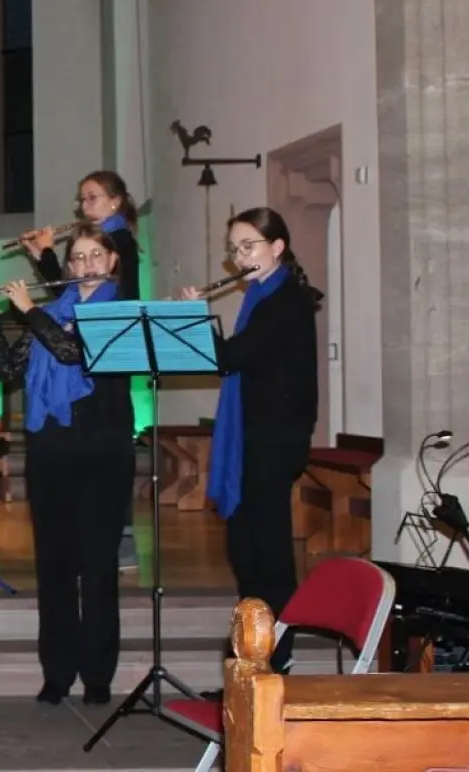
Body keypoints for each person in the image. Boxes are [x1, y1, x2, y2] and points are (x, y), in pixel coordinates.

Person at [0, 225, 134, 706]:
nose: (85, 265)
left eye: (94, 256)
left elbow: (73, 352)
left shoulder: (118, 313)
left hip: (102, 455)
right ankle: (58, 673)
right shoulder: (52, 313)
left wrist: (28, 310)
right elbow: (9, 371)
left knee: (98, 568)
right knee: (55, 569)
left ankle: (99, 676)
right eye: (77, 258)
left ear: (111, 263)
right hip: (50, 455)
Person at [183, 207, 320, 674]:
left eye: (249, 247)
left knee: (268, 555)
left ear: (277, 248)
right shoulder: (261, 297)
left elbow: (232, 357)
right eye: (235, 250)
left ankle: (277, 658)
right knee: (246, 552)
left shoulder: (286, 300)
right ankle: (252, 657)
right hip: (255, 437)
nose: (240, 258)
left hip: (273, 441)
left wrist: (191, 319)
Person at [24, 170, 143, 571]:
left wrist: (30, 305)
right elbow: (71, 298)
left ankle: (120, 546)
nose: (83, 206)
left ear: (116, 202)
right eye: (81, 199)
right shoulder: (93, 260)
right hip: (68, 428)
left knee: (96, 545)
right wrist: (44, 257)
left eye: (91, 197)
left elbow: (86, 326)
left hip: (101, 405)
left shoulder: (121, 242)